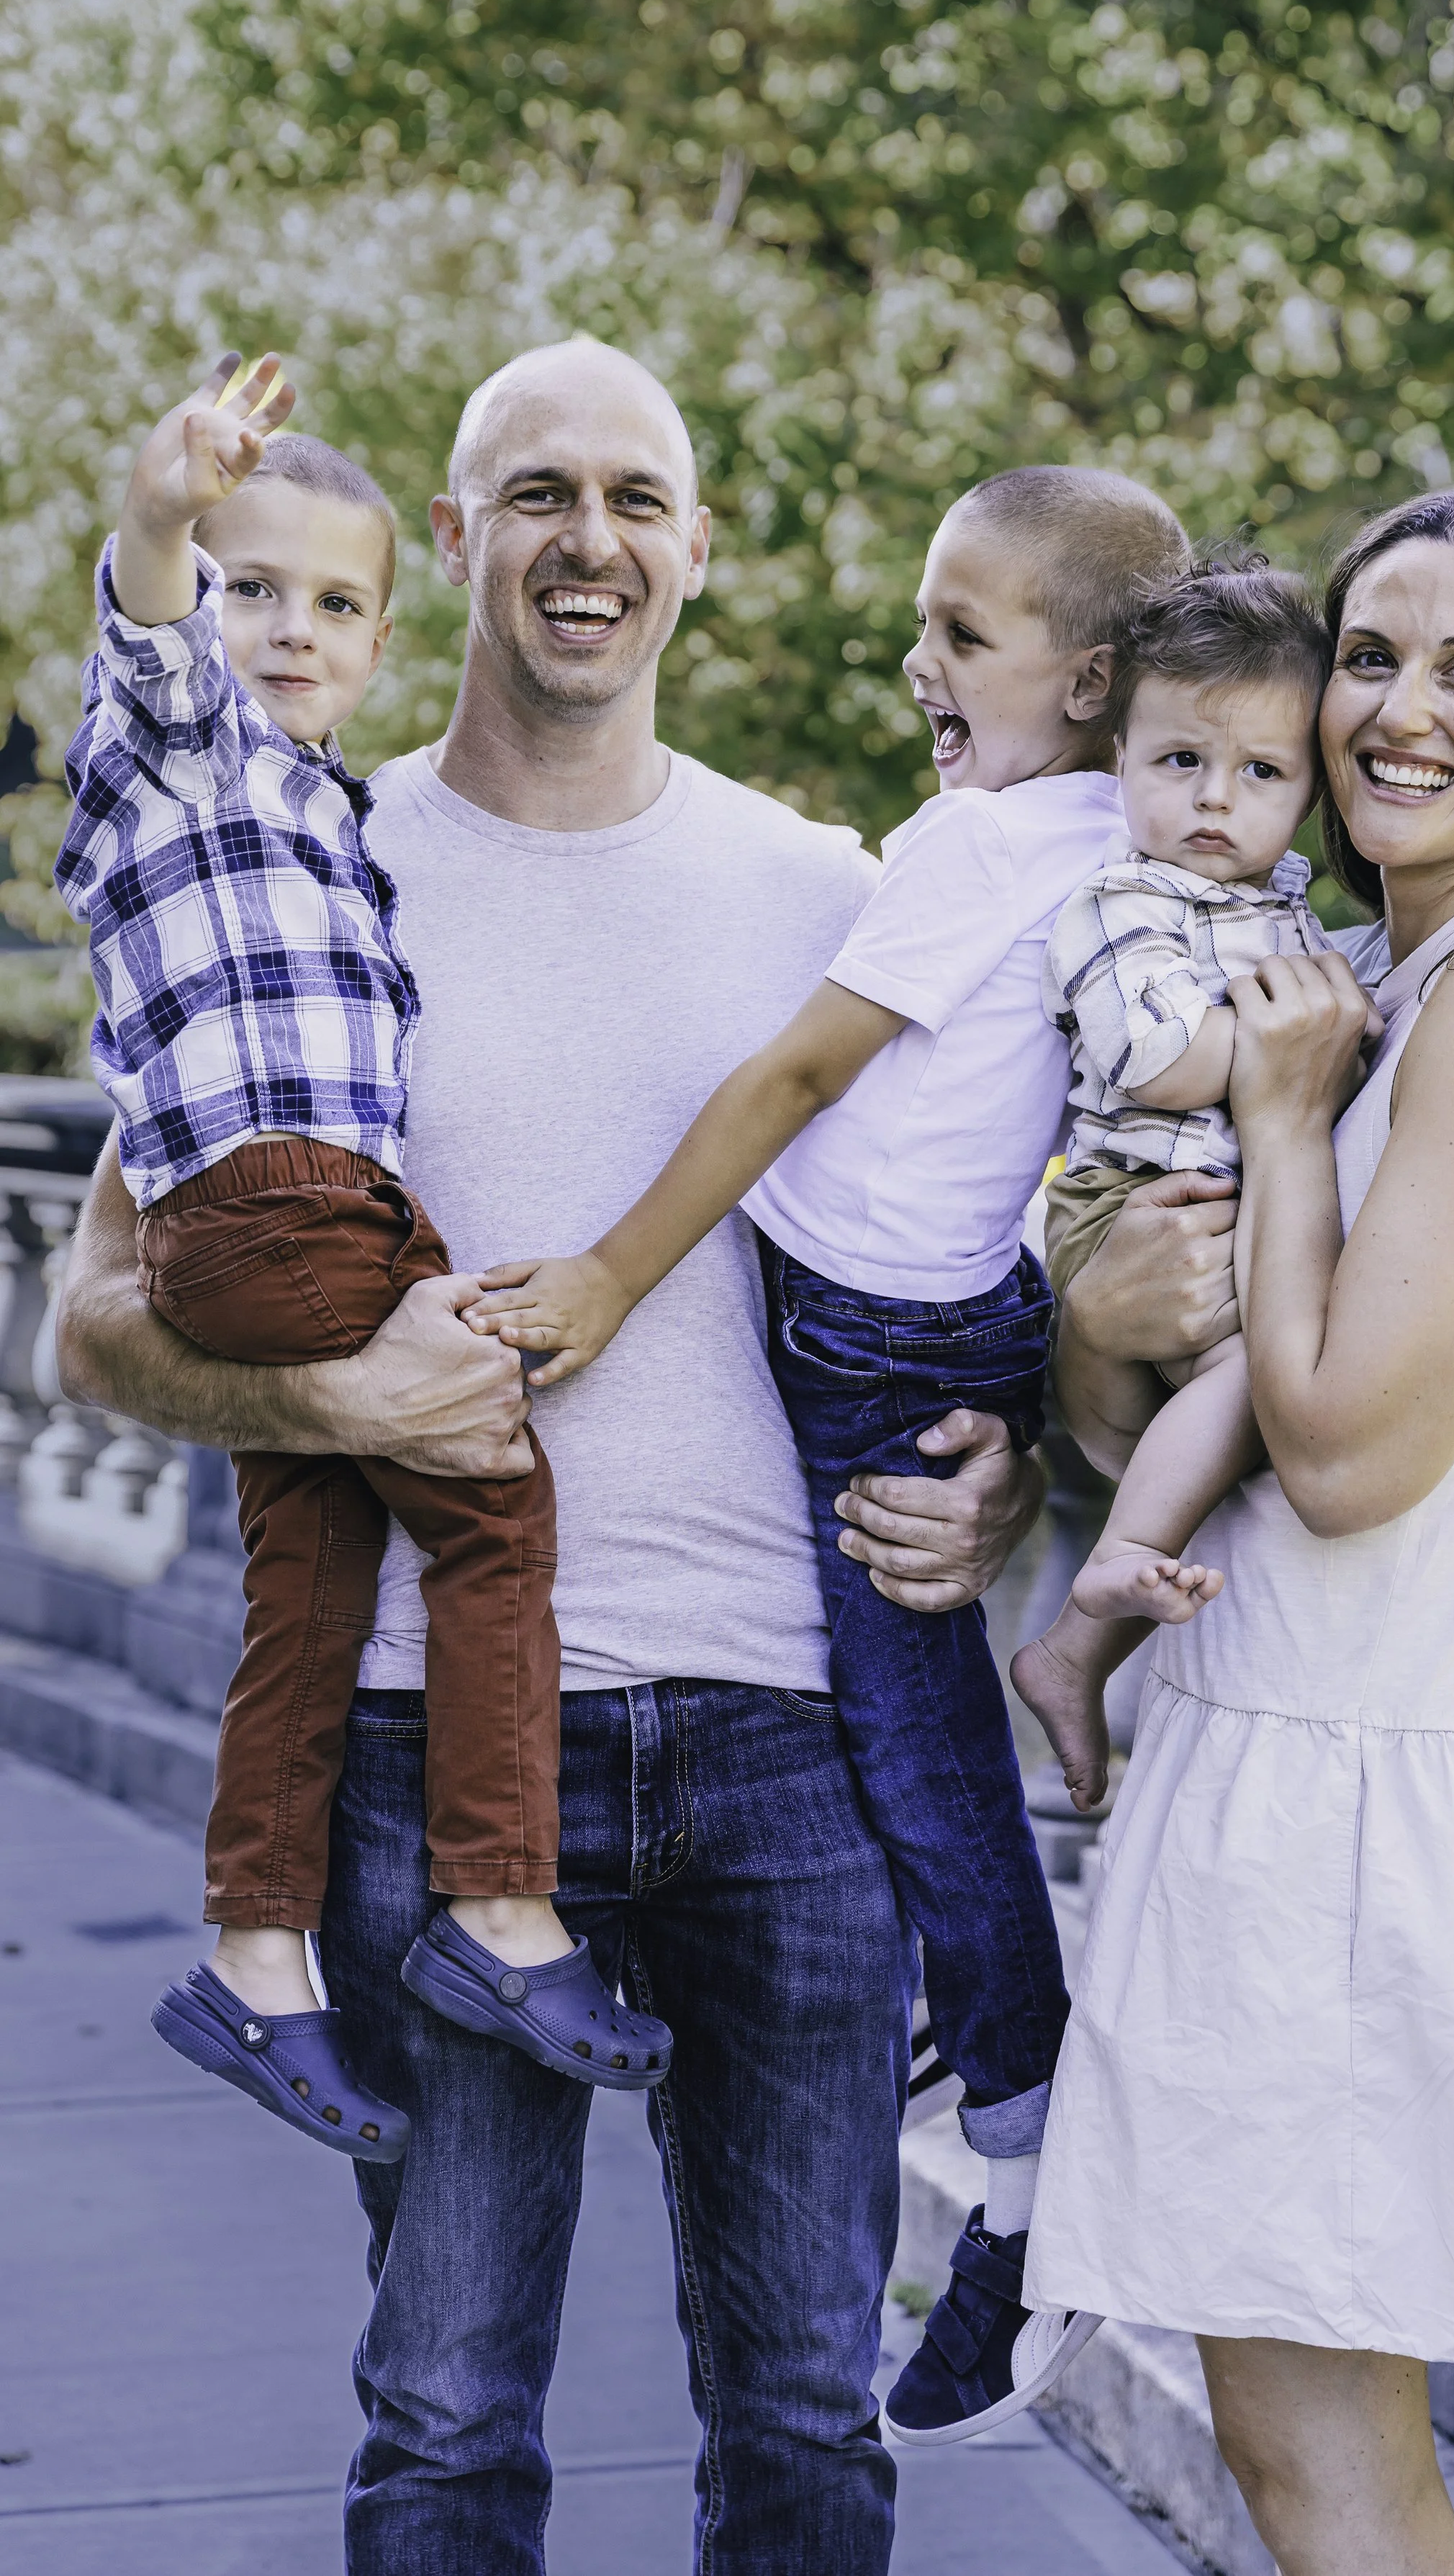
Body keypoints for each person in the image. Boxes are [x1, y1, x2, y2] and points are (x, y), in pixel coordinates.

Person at [56, 339, 1230, 2575]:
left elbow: (985, 1262)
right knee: (443, 2420)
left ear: (695, 551)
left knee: (804, 2420)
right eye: (534, 494)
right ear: (453, 545)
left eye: (636, 497)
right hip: (421, 1745)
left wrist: (999, 1472)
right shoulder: (300, 841)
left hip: (795, 1743)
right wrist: (327, 1399)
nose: (588, 539)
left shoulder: (845, 886)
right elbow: (91, 1317)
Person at [1026, 482, 1454, 2576]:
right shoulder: (1357, 974)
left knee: (1331, 2468)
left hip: (1372, 1789)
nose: (1394, 708)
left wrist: (1266, 1128)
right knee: (1292, 2448)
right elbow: (1132, 1405)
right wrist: (1094, 1308)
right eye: (1365, 652)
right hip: (1271, 1753)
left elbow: (1340, 1454)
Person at [453, 461, 1191, 2444]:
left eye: (962, 632)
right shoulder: (1113, 850)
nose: (915, 661)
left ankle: (1033, 2169)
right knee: (906, 1739)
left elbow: (791, 1076)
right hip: (932, 1321)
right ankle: (990, 2060)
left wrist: (611, 1273)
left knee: (920, 1740)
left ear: (1097, 674)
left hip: (872, 1344)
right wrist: (1027, 1397)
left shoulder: (978, 852)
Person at [55, 354, 667, 2160]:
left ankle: (256, 1959)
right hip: (272, 1205)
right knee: (491, 1493)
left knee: (304, 1601)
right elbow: (153, 637)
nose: (286, 630)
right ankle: (498, 1911)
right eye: (252, 589)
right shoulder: (181, 762)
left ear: (389, 638)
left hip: (305, 1212)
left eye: (333, 604)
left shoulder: (337, 821)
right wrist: (167, 511)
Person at [1015, 557, 1383, 1810]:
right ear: (1121, 755)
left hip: (1218, 1211)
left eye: (1262, 773)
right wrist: (1297, 1045)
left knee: (1267, 1389)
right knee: (1258, 1378)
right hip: (1127, 1198)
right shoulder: (1123, 898)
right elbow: (1157, 1056)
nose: (1216, 801)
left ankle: (1090, 1635)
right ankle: (1091, 1607)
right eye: (1180, 762)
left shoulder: (1288, 906)